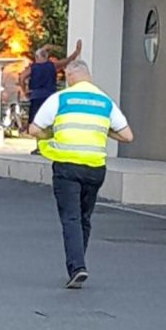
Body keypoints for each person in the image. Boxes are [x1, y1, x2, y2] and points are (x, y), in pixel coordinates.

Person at [29, 58, 133, 288]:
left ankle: (77, 267)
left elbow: (34, 129)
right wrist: (105, 131)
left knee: (71, 218)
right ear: (89, 77)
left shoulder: (60, 99)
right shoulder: (105, 102)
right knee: (84, 218)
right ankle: (79, 262)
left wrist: (52, 133)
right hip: (95, 168)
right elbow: (127, 136)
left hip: (67, 166)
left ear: (69, 77)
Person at [22, 39, 83, 151]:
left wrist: (25, 90)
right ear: (46, 57)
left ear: (37, 57)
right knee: (51, 122)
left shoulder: (33, 68)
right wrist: (77, 51)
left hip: (36, 97)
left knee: (37, 122)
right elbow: (68, 60)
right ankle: (50, 144)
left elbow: (22, 77)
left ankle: (40, 147)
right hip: (50, 97)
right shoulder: (53, 66)